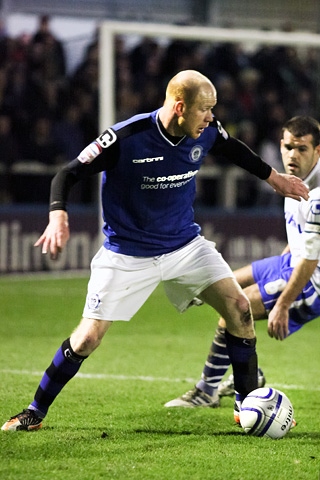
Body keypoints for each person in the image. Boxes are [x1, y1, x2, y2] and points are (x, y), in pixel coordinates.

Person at [1, 70, 308, 431]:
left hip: (185, 246)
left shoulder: (207, 131)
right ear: (180, 107)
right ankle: (34, 410)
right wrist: (57, 216)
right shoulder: (125, 137)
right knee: (87, 338)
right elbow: (66, 174)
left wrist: (276, 179)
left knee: (239, 307)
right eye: (204, 109)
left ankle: (246, 407)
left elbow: (234, 149)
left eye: (213, 110)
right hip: (127, 255)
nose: (211, 117)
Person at [165, 115, 320, 425]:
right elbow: (304, 240)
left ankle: (206, 390)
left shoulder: (317, 197)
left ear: (318, 151)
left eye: (301, 149)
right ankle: (248, 371)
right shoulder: (293, 180)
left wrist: (284, 305)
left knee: (235, 311)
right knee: (220, 284)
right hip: (292, 261)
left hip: (312, 281)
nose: (292, 155)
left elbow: (311, 259)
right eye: (288, 147)